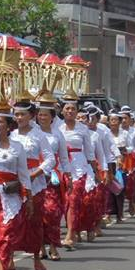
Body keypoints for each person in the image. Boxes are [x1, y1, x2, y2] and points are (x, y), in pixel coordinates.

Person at [0, 103, 31, 270]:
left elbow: (23, 174)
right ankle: (1, 267)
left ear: (7, 125)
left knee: (3, 237)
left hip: (8, 197)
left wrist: (28, 197)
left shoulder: (17, 147)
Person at [10, 99, 55, 270]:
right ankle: (10, 258)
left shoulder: (39, 135)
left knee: (35, 221)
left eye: (23, 114)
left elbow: (50, 159)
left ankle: (36, 257)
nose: (19, 117)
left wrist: (34, 174)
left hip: (34, 183)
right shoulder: (10, 135)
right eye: (16, 114)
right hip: (14, 183)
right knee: (13, 221)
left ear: (31, 116)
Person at [35, 95, 70, 260]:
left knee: (53, 212)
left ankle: (54, 245)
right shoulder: (32, 134)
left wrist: (67, 175)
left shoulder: (57, 134)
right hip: (35, 177)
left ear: (52, 117)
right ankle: (40, 247)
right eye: (40, 114)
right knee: (38, 213)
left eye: (45, 115)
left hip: (53, 177)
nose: (42, 117)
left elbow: (64, 157)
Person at [60, 99, 97, 249]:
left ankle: (70, 234)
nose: (70, 111)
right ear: (62, 111)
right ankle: (73, 229)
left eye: (73, 109)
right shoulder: (57, 128)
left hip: (79, 167)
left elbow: (89, 152)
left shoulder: (83, 129)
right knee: (64, 202)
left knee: (74, 200)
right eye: (67, 108)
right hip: (62, 166)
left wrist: (95, 171)